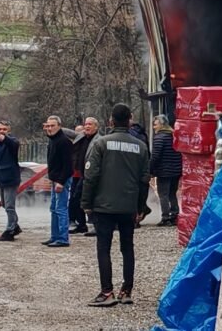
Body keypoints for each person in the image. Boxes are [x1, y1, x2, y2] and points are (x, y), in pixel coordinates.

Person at [82, 103, 150, 307]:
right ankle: (126, 291)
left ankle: (107, 292)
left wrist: (86, 203)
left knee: (103, 248)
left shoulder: (101, 144)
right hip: (128, 206)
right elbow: (144, 179)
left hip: (103, 206)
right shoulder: (141, 146)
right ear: (130, 120)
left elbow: (90, 176)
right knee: (127, 248)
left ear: (111, 121)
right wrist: (140, 207)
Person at [43, 115, 74, 247]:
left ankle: (62, 238)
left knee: (60, 209)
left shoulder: (64, 142)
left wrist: (61, 181)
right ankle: (55, 236)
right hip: (55, 179)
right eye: (48, 126)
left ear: (59, 126)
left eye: (52, 126)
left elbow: (68, 166)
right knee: (54, 209)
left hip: (62, 180)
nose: (50, 128)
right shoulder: (53, 140)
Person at [150, 115, 182, 227]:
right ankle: (175, 215)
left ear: (162, 125)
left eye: (155, 124)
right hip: (176, 170)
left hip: (164, 171)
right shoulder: (174, 135)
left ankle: (165, 217)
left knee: (163, 194)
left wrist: (150, 169)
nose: (154, 127)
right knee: (172, 193)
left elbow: (155, 156)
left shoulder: (159, 137)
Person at [71, 117, 99, 236]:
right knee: (77, 198)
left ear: (96, 127)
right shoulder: (82, 137)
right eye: (86, 124)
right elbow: (68, 133)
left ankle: (94, 224)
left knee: (88, 199)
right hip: (81, 173)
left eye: (90, 124)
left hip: (91, 174)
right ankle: (81, 224)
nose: (87, 126)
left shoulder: (98, 140)